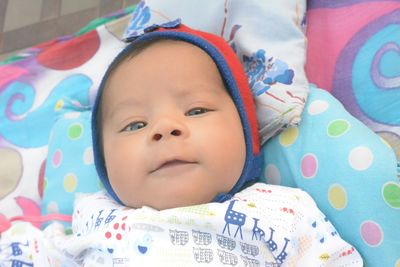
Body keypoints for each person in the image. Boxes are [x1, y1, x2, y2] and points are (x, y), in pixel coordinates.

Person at [0, 22, 363, 266]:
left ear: (246, 133)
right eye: (135, 124)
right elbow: (36, 252)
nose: (164, 129)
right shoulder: (94, 216)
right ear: (105, 164)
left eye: (196, 109)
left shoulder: (283, 211)